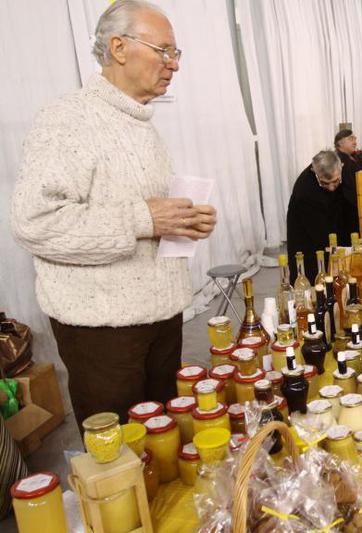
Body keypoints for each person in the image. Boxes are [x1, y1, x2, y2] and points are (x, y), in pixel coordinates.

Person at [11, 0, 217, 428]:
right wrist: (146, 220)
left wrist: (184, 221)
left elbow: (145, 213)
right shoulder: (67, 120)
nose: (173, 65)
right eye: (164, 51)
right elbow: (36, 223)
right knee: (120, 457)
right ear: (119, 48)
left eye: (176, 54)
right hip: (104, 332)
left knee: (163, 439)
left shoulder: (141, 125)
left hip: (161, 315)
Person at [286, 150, 345, 283]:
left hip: (325, 233)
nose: (331, 188)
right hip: (308, 243)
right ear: (315, 173)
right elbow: (320, 235)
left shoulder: (340, 170)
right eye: (324, 183)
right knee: (313, 279)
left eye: (335, 181)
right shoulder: (305, 192)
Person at [334, 129, 362, 245]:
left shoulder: (354, 157)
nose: (355, 142)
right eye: (351, 139)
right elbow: (347, 187)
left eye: (355, 139)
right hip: (347, 209)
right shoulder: (339, 160)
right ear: (340, 143)